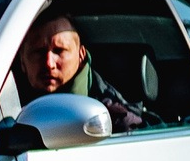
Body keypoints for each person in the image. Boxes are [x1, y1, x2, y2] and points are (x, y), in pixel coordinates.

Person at [13, 14, 147, 132]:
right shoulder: (5, 117)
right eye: (39, 52)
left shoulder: (114, 120)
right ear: (22, 61)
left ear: (81, 55)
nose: (49, 63)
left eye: (59, 50)